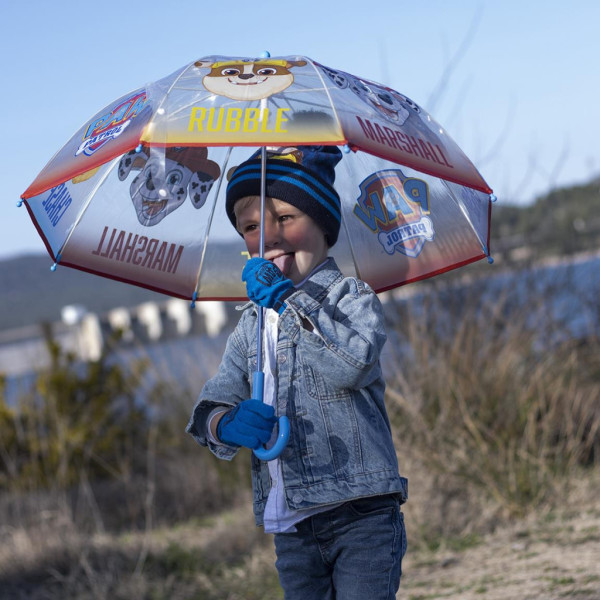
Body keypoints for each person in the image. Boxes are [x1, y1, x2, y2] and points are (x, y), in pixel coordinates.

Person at [186, 145, 408, 599]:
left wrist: (287, 302)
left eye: (285, 218)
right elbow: (214, 400)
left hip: (362, 513)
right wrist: (224, 423)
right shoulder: (251, 326)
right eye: (251, 227)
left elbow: (351, 365)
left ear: (322, 224)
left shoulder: (352, 298)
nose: (269, 236)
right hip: (291, 525)